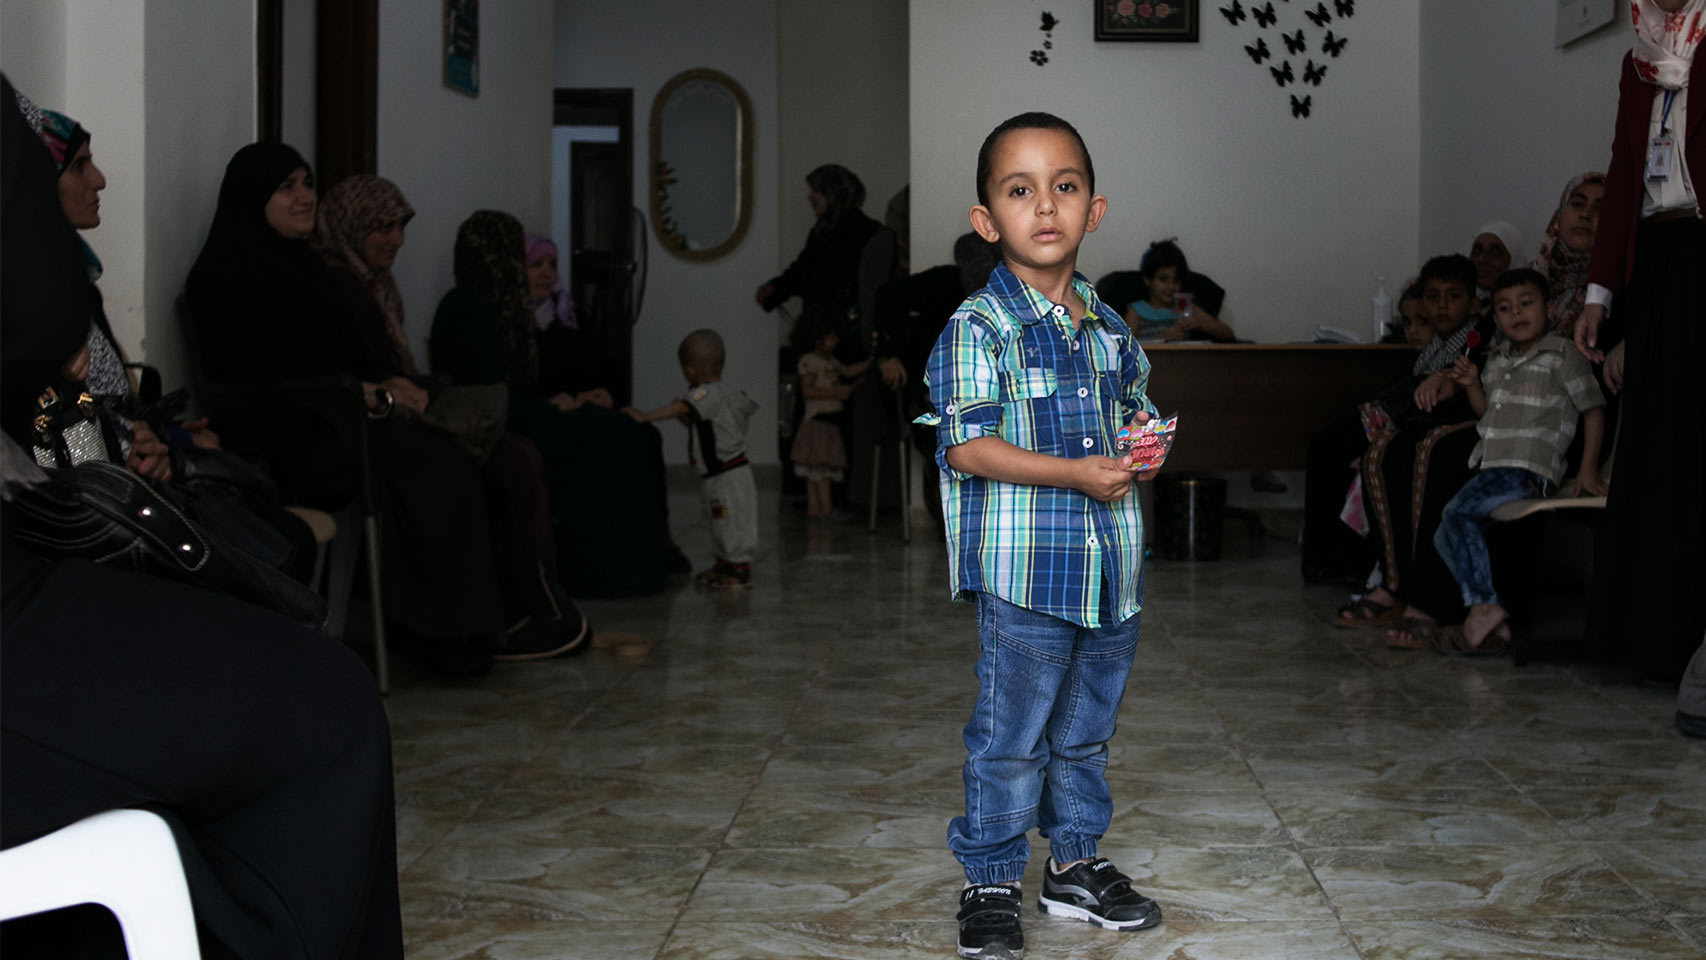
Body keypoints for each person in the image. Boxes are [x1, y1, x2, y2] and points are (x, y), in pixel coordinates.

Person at [0, 75, 403, 959]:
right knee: (324, 705)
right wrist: (95, 425)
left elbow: (41, 401)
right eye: (70, 170)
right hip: (35, 564)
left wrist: (121, 443)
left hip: (74, 526)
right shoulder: (91, 282)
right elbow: (35, 351)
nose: (98, 182)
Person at [924, 112, 1164, 960]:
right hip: (1026, 577)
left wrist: (1143, 446)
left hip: (1110, 576)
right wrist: (1073, 473)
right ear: (987, 221)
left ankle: (1073, 865)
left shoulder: (1110, 330)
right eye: (1019, 190)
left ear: (1094, 209)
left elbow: (1131, 411)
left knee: (1084, 733)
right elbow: (964, 445)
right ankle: (989, 877)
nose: (1045, 206)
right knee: (1012, 736)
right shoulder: (977, 329)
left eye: (1064, 187)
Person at [186, 143, 512, 676]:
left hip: (334, 416)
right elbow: (258, 370)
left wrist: (382, 384)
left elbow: (337, 357)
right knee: (427, 461)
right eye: (286, 186)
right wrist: (359, 393)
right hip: (283, 433)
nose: (304, 197)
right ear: (252, 198)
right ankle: (435, 634)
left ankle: (477, 626)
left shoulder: (308, 268)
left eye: (307, 183)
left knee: (458, 451)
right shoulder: (226, 272)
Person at [315, 178, 588, 659]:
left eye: (400, 226)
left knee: (508, 456)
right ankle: (464, 631)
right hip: (355, 423)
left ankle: (523, 606)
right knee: (471, 461)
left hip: (396, 408)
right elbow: (337, 371)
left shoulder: (377, 287)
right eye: (382, 226)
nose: (397, 239)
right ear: (350, 226)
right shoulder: (333, 284)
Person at [431, 210, 677, 597]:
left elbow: (601, 366)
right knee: (615, 436)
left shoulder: (562, 314)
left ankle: (647, 557)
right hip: (513, 416)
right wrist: (557, 405)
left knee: (633, 430)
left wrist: (599, 395)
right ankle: (614, 571)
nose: (544, 273)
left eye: (551, 265)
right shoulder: (479, 309)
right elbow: (493, 390)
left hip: (538, 410)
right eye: (532, 263)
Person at [1577, 0, 1706, 683]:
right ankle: (1653, 644)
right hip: (1658, 260)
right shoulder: (1638, 61)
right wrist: (1602, 297)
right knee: (1657, 448)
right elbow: (1626, 174)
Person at [1428, 269, 1607, 654]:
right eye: (1505, 308)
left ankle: (1483, 609)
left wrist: (1588, 468)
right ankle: (1494, 619)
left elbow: (1593, 410)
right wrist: (1473, 384)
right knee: (1444, 533)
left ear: (1548, 308)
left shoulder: (1563, 355)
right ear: (1495, 319)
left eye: (1527, 303)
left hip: (1528, 468)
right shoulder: (1496, 360)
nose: (1517, 313)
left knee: (1456, 516)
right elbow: (1485, 415)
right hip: (1494, 466)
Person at [1332, 254, 1495, 628]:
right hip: (1451, 414)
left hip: (1483, 420)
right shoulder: (1438, 346)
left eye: (1452, 297)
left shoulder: (1483, 334)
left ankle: (1428, 597)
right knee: (1379, 452)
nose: (1441, 306)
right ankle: (1393, 583)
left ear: (1473, 303)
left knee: (1427, 455)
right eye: (1433, 297)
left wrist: (1451, 382)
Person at [628, 330, 759, 588]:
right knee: (715, 520)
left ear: (689, 371)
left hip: (727, 476)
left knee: (729, 521)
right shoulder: (722, 393)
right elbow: (700, 419)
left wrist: (645, 416)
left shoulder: (706, 393)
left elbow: (683, 407)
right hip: (717, 475)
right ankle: (723, 564)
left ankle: (739, 569)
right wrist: (686, 417)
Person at [756, 164, 883, 327]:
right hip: (823, 332)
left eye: (815, 191)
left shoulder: (866, 233)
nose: (809, 197)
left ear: (832, 194)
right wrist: (774, 288)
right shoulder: (822, 231)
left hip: (846, 335)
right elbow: (802, 271)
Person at [789, 306, 875, 518]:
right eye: (831, 336)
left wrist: (871, 362)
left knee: (821, 471)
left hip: (829, 423)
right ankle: (819, 509)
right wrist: (837, 391)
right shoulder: (810, 361)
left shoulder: (832, 361)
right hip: (816, 423)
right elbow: (807, 390)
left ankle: (821, 510)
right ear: (818, 338)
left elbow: (848, 371)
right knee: (817, 471)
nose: (835, 340)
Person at [1532, 172, 1607, 338]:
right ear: (1560, 212)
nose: (1585, 214)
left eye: (1600, 209)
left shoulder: (1619, 290)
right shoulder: (1529, 279)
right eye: (1578, 204)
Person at [1121, 239, 1234, 342]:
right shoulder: (1137, 310)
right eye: (1163, 279)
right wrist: (1160, 339)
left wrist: (1200, 324)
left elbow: (1228, 334)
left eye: (1176, 281)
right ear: (1148, 280)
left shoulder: (1184, 307)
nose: (1171, 286)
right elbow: (1126, 348)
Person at [1469, 221, 1523, 310]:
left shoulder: (1525, 312)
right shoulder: (1457, 307)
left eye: (1495, 252)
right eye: (1477, 251)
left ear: (1514, 261)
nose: (1481, 259)